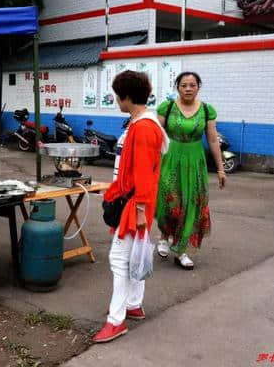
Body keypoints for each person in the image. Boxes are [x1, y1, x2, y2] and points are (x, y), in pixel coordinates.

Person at [93, 70, 168, 344]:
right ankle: (133, 304)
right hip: (135, 203)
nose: (116, 101)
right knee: (134, 255)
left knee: (119, 259)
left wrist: (138, 212)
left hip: (136, 204)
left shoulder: (144, 127)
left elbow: (145, 176)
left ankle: (116, 320)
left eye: (117, 96)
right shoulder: (140, 123)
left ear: (126, 97)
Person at [155, 71, 226, 270]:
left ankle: (181, 249)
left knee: (190, 205)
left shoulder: (206, 110)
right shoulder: (166, 107)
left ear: (198, 87)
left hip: (195, 161)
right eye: (184, 85)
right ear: (177, 87)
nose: (188, 89)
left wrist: (221, 169)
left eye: (192, 85)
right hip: (170, 158)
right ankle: (163, 236)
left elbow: (212, 140)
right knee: (168, 201)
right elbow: (154, 136)